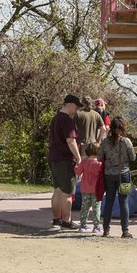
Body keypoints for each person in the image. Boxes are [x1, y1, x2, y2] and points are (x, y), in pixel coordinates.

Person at [48, 94, 83, 231]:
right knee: (67, 193)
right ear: (69, 105)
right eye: (75, 107)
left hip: (53, 157)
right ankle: (66, 221)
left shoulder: (55, 119)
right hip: (65, 159)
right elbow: (70, 140)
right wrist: (78, 157)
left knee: (57, 190)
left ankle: (56, 220)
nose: (76, 110)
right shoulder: (67, 120)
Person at [100, 116, 136, 239]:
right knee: (124, 201)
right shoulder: (126, 141)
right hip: (124, 174)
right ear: (123, 128)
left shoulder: (105, 142)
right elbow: (133, 158)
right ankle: (125, 230)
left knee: (109, 202)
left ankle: (106, 230)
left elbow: (100, 158)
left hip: (109, 175)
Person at [75, 142, 105, 234]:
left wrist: (75, 166)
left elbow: (78, 172)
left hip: (85, 189)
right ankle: (96, 226)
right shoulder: (100, 163)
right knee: (96, 208)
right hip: (96, 190)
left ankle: (83, 225)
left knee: (84, 207)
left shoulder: (84, 162)